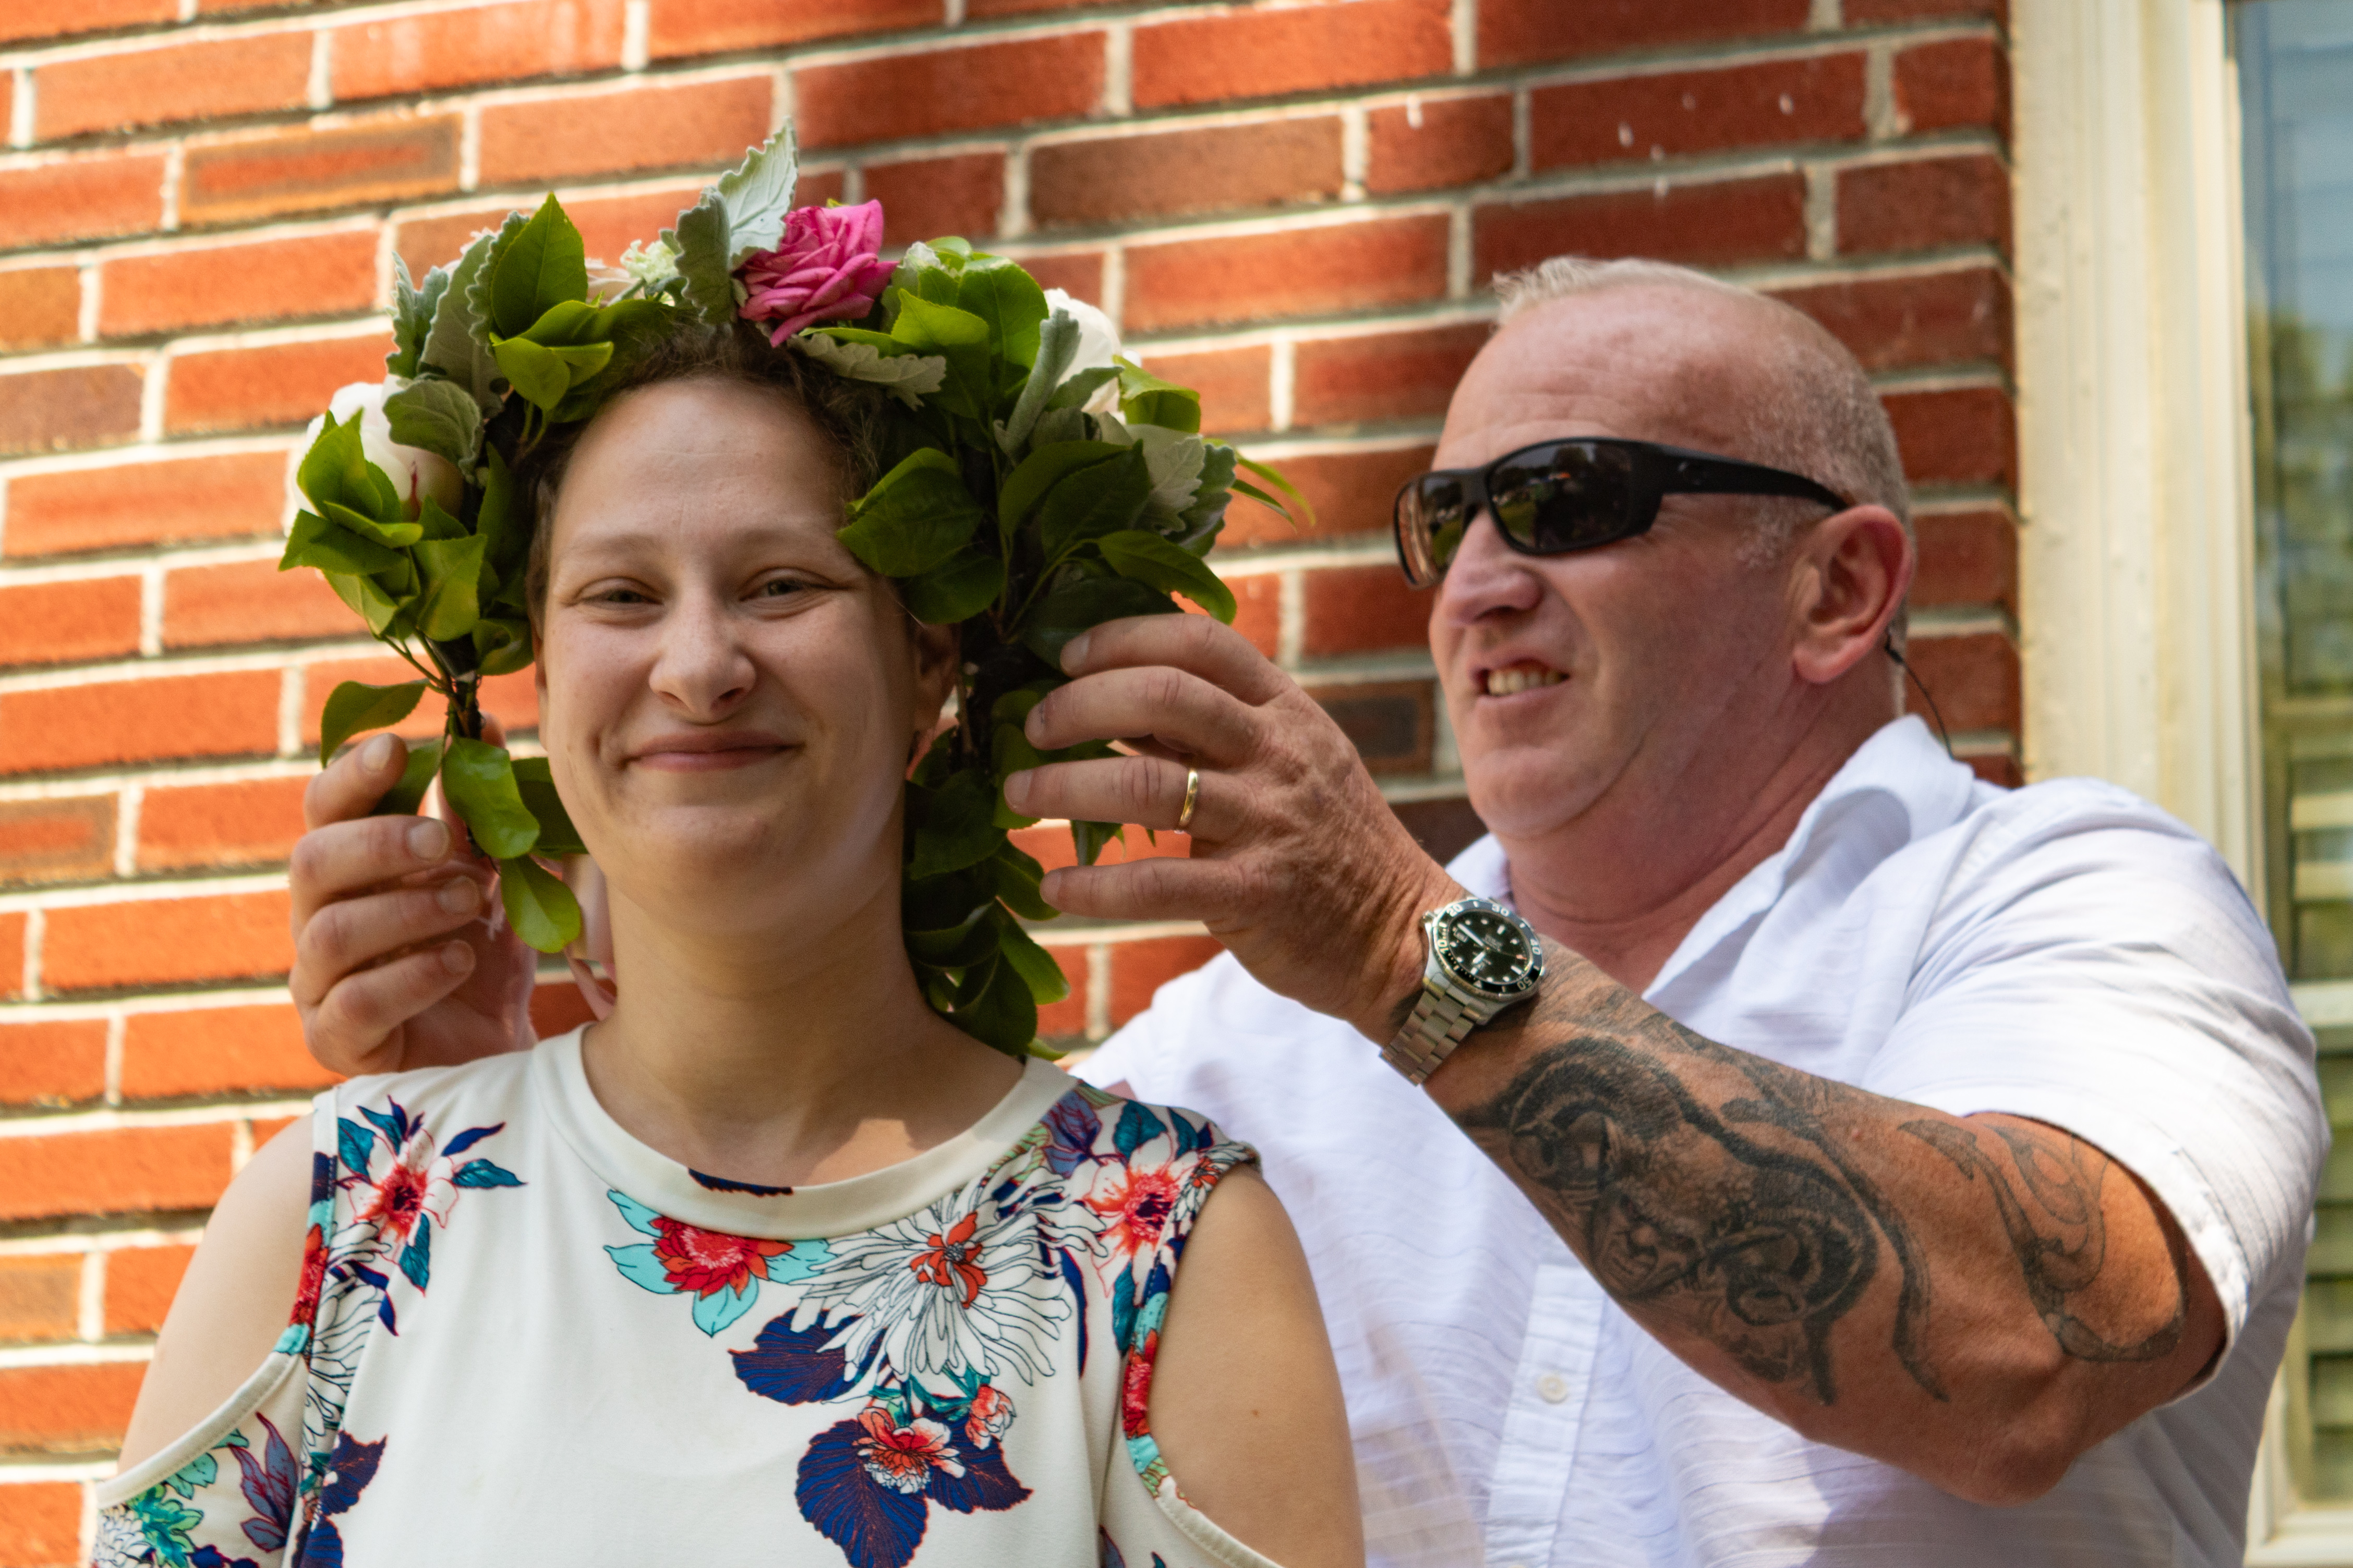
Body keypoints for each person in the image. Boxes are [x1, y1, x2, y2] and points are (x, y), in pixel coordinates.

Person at [286, 256, 2327, 1566]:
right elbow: (839, 1379)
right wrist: (526, 1100)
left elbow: (2028, 1345)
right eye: (1447, 518)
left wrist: (1401, 951)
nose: (1478, 581)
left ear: (1844, 587)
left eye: (1573, 499)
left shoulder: (2077, 898)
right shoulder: (1237, 1056)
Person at [102, 325, 1361, 1568]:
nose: (700, 666)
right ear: (536, 664)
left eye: (781, 585)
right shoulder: (340, 1214)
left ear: (929, 660)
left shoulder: (1162, 1254)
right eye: (621, 595)